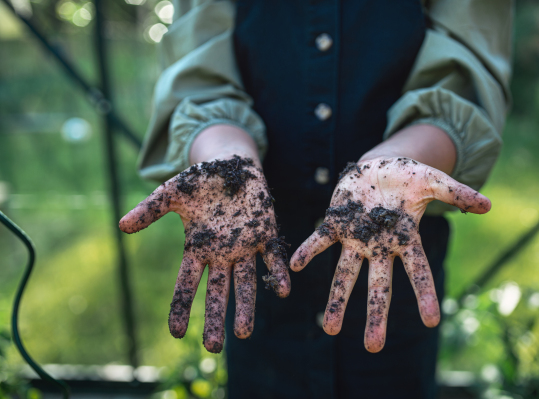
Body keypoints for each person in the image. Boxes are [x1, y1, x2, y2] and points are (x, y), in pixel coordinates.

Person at [119, 0, 513, 397]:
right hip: (256, 256)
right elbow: (199, 77)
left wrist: (393, 164)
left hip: (393, 253)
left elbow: (465, 76)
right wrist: (226, 161)